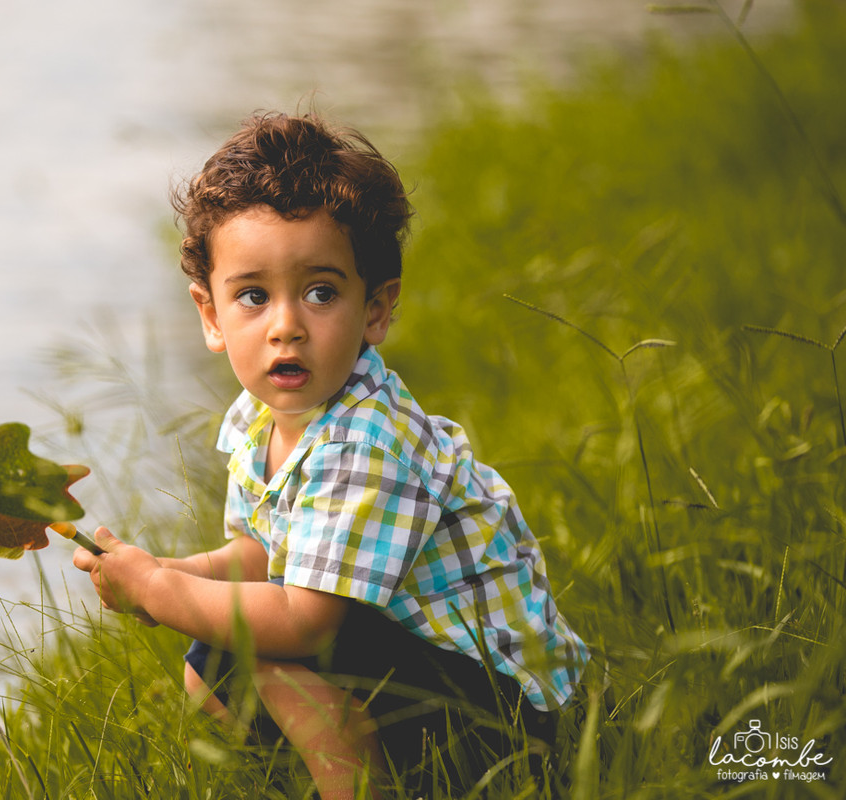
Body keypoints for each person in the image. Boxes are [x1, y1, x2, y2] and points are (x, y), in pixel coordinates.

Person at [72, 111, 588, 798]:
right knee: (210, 660)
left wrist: (163, 593)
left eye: (320, 292)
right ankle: (318, 774)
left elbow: (303, 619)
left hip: (505, 712)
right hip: (418, 664)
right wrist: (166, 571)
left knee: (270, 649)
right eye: (252, 296)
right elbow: (265, 554)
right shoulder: (263, 418)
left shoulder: (363, 441)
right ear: (210, 315)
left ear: (374, 310)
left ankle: (365, 786)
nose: (285, 326)